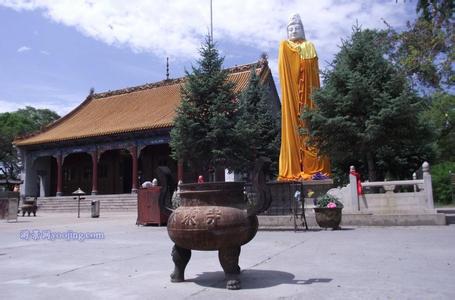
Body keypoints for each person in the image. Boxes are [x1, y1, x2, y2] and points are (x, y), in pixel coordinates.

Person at [278, 13, 331, 181]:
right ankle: (294, 167)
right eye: (290, 29)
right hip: (293, 94)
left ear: (303, 30)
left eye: (297, 28)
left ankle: (314, 169)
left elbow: (313, 74)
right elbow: (284, 70)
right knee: (293, 125)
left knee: (310, 129)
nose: (293, 31)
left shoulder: (310, 46)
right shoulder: (284, 46)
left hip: (308, 94)